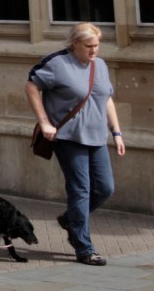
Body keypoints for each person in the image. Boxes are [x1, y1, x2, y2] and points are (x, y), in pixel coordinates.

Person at [27, 22, 124, 267]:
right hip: (69, 137)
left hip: (97, 136)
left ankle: (71, 219)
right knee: (80, 189)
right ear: (74, 44)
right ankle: (84, 247)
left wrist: (117, 132)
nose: (94, 51)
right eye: (88, 46)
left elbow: (107, 100)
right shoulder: (57, 63)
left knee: (105, 188)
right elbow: (31, 87)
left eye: (97, 45)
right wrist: (44, 121)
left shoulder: (100, 65)